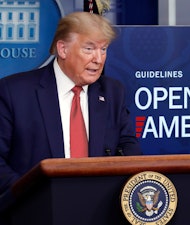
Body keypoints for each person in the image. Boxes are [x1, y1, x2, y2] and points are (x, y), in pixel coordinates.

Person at [0, 11, 141, 222]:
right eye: (89, 48)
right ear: (63, 49)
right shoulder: (14, 91)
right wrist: (30, 196)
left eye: (103, 50)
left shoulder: (112, 92)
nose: (99, 58)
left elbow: (128, 145)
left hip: (99, 212)